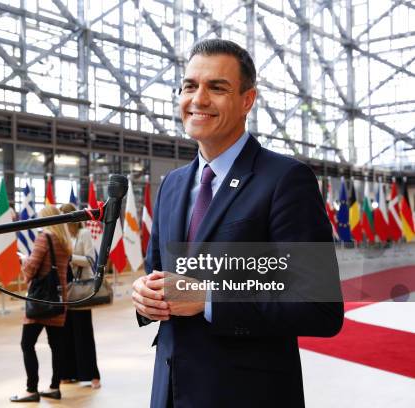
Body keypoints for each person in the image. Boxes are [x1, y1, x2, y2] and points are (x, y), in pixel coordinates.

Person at [131, 39, 344, 407]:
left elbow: (320, 309)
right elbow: (161, 276)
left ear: (248, 100)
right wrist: (145, 298)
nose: (198, 99)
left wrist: (209, 299)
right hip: (170, 391)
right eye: (189, 86)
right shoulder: (172, 185)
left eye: (217, 88)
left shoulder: (285, 180)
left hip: (246, 394)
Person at [10, 205, 72, 403]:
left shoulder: (44, 238)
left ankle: (31, 390)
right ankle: (54, 387)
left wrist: (23, 260)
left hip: (40, 301)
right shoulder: (64, 241)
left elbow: (31, 270)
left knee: (27, 344)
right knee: (56, 345)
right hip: (59, 301)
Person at [59, 203, 101, 389]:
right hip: (65, 288)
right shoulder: (62, 236)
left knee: (83, 332)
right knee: (66, 333)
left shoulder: (83, 234)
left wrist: (70, 258)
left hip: (80, 288)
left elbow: (90, 260)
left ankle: (93, 375)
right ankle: (68, 373)